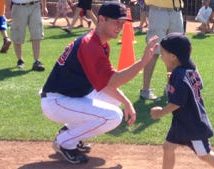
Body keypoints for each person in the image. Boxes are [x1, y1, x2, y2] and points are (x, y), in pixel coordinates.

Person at [40, 1, 159, 164]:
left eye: (122, 23)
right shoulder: (90, 45)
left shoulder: (99, 43)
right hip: (57, 101)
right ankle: (65, 142)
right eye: (116, 22)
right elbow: (113, 80)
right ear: (101, 19)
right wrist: (142, 63)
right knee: (113, 117)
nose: (120, 26)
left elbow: (105, 83)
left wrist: (126, 102)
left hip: (69, 96)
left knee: (116, 100)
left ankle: (70, 131)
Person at [150, 32, 214, 169]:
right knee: (168, 147)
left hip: (192, 124)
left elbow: (177, 102)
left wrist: (161, 112)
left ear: (173, 57)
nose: (161, 57)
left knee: (204, 154)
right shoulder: (189, 67)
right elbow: (197, 85)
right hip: (181, 122)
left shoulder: (180, 76)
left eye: (163, 54)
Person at [140, 0, 184, 100]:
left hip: (176, 10)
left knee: (175, 52)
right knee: (154, 51)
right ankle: (145, 89)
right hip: (158, 10)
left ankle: (170, 87)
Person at [5, 0, 48, 71]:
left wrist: (44, 6)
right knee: (18, 34)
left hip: (35, 5)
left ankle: (36, 61)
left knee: (37, 32)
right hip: (19, 6)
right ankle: (20, 60)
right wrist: (7, 9)